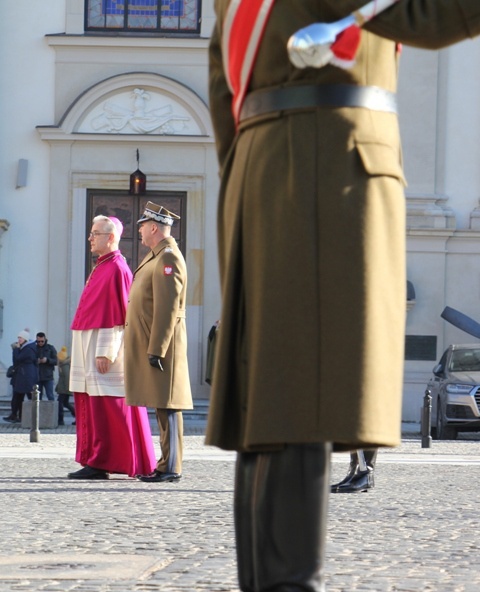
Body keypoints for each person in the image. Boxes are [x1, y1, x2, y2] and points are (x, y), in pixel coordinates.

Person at [207, 2, 480, 590]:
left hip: (257, 170)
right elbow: (440, 16)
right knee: (301, 399)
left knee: (270, 400)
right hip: (332, 164)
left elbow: (222, 107)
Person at [68, 215, 156, 480]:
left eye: (95, 233)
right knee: (94, 407)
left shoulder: (117, 268)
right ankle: (96, 460)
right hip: (90, 348)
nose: (90, 238)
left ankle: (107, 461)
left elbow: (119, 317)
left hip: (104, 353)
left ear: (110, 238)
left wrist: (106, 351)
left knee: (110, 409)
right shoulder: (101, 266)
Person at [124, 201, 193, 483]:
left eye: (142, 226)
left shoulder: (168, 258)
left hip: (162, 345)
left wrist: (157, 349)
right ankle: (165, 463)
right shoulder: (156, 255)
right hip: (152, 342)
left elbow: (168, 308)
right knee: (161, 405)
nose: (139, 231)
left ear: (153, 227)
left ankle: (172, 466)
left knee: (168, 404)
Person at [3, 330, 38, 423]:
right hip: (22, 375)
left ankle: (22, 416)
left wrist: (15, 349)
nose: (18, 340)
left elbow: (18, 358)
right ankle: (16, 415)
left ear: (25, 339)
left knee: (24, 396)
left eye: (20, 338)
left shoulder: (28, 349)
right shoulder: (27, 348)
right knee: (18, 397)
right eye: (18, 338)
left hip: (25, 376)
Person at [55, 346, 75, 426]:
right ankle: (76, 416)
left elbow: (66, 378)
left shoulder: (64, 366)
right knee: (66, 403)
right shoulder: (64, 365)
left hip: (64, 388)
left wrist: (67, 389)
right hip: (63, 388)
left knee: (60, 403)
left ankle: (60, 419)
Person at [35, 332, 57, 401]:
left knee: (50, 395)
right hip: (37, 376)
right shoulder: (34, 348)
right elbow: (29, 360)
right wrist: (36, 361)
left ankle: (52, 411)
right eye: (38, 341)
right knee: (38, 397)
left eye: (42, 341)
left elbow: (56, 361)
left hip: (48, 376)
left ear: (45, 340)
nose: (40, 343)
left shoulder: (50, 348)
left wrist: (47, 360)